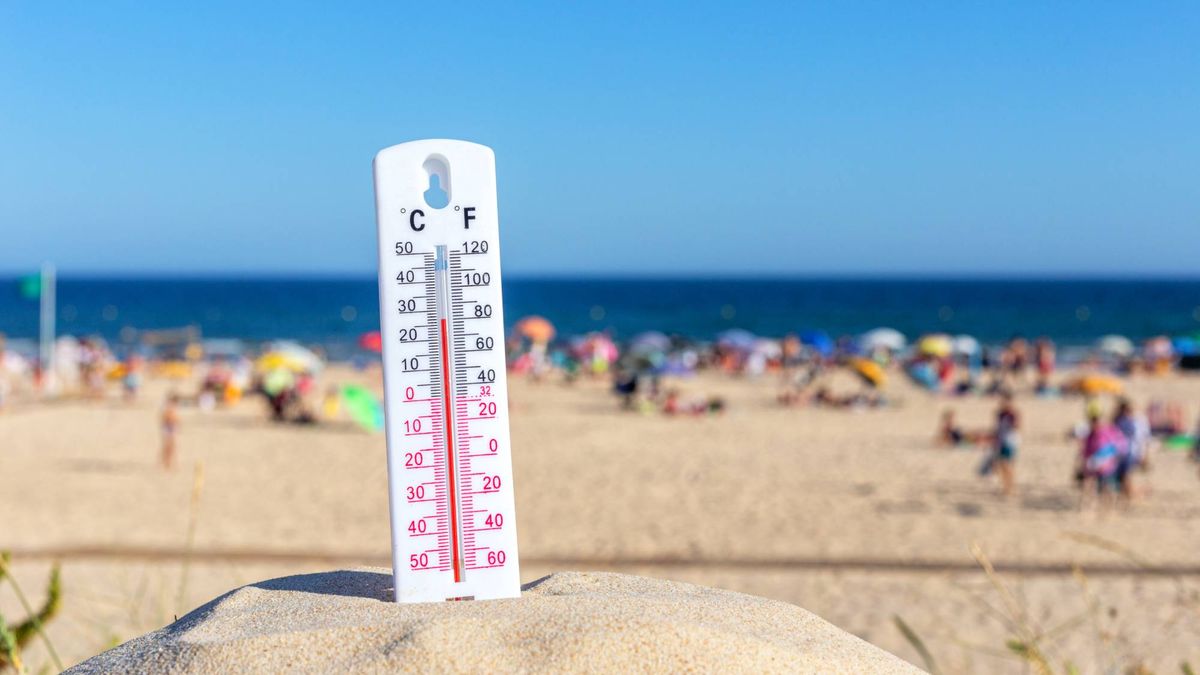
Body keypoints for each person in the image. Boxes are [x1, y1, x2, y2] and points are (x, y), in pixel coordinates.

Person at [991, 392, 1019, 496]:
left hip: (1010, 441)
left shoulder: (1012, 414)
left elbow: (1017, 427)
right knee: (1001, 465)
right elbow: (996, 429)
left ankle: (1010, 488)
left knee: (1008, 465)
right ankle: (1005, 487)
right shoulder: (1000, 414)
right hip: (1001, 441)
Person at [161, 392, 181, 470]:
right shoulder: (169, 407)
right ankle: (167, 463)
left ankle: (169, 463)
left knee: (171, 446)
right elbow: (166, 417)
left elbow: (175, 418)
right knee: (169, 446)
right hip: (169, 427)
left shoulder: (171, 406)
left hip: (170, 427)